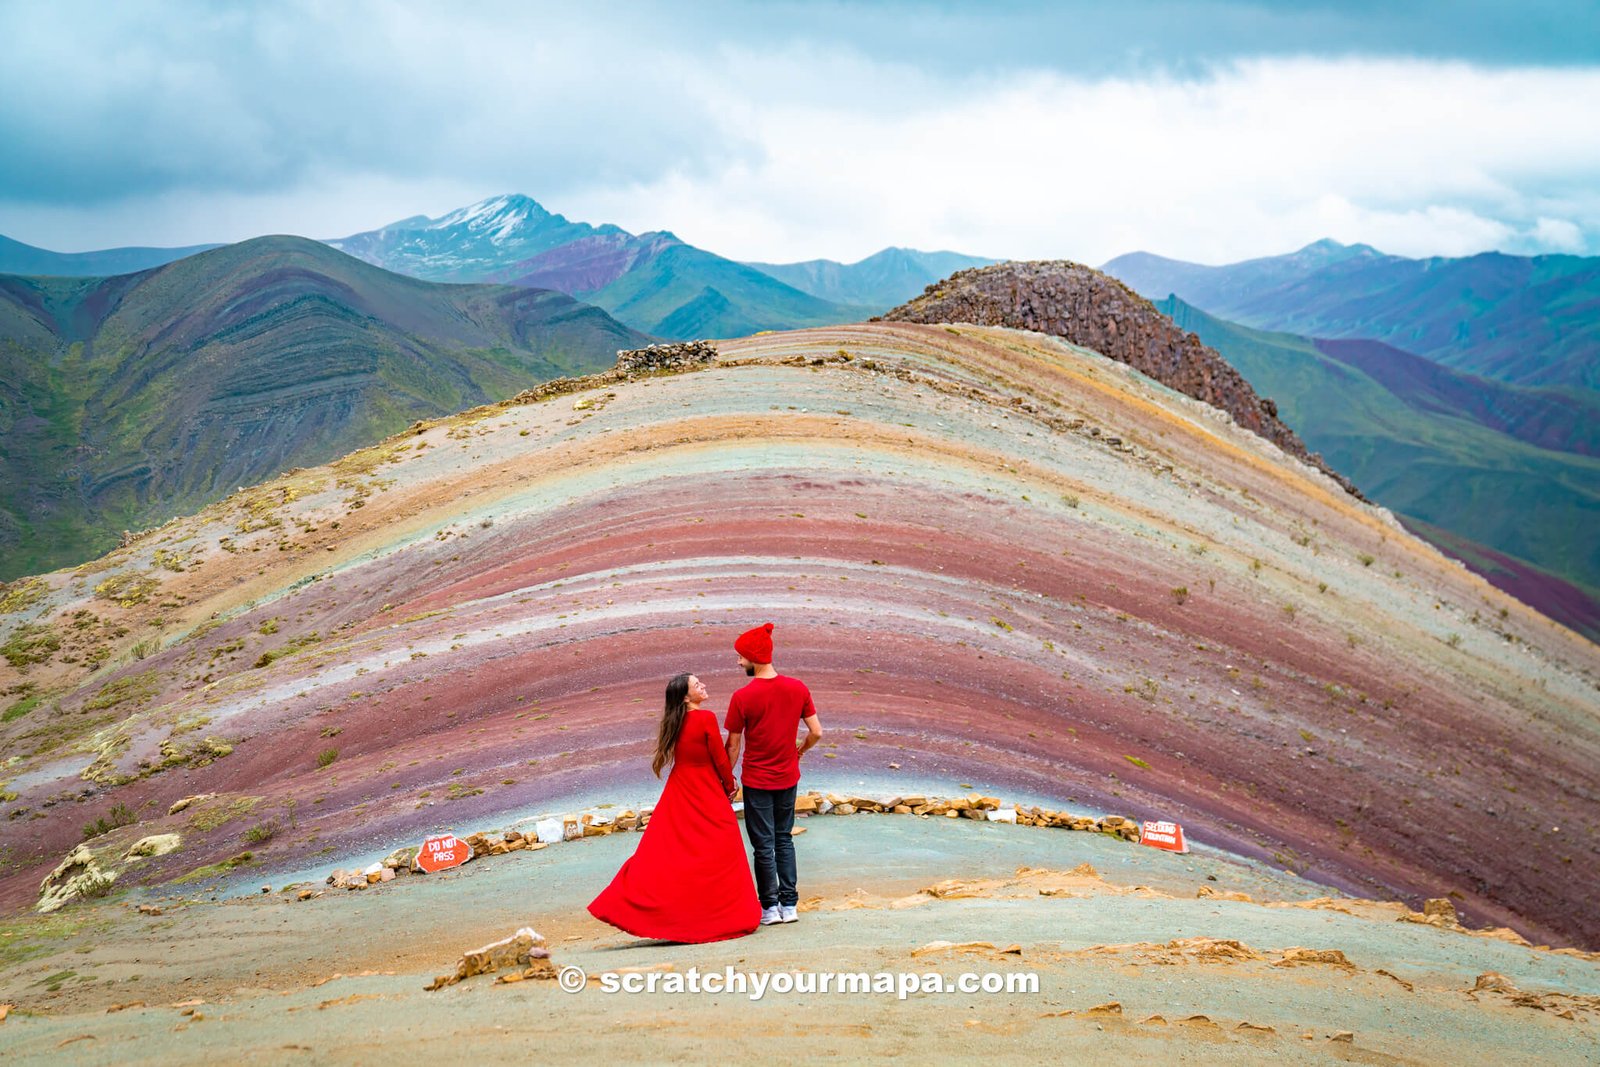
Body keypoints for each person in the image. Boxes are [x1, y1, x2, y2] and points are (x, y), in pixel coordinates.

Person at [587, 673, 761, 943]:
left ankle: (626, 904)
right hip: (705, 789)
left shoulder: (675, 722)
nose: (702, 685)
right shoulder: (705, 718)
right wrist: (729, 785)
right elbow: (719, 758)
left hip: (679, 789)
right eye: (696, 685)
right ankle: (727, 916)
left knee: (668, 852)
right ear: (685, 696)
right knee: (723, 849)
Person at [725, 622, 823, 925]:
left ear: (754, 657)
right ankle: (790, 906)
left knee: (763, 845)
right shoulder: (798, 688)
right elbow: (817, 732)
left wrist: (726, 779)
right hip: (788, 778)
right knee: (784, 840)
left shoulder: (742, 697)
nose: (739, 662)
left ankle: (769, 908)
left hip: (756, 780)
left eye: (741, 656)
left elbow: (733, 744)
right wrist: (800, 751)